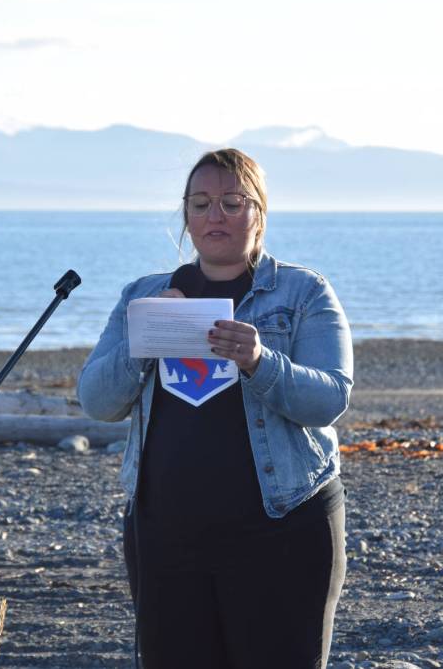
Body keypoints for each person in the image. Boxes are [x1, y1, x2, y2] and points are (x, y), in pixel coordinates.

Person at [77, 148, 353, 668]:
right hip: (164, 537)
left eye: (232, 201)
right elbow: (97, 401)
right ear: (185, 215)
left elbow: (330, 399)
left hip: (283, 527)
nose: (215, 216)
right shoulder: (147, 296)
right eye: (201, 203)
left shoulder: (303, 292)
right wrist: (144, 341)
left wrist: (259, 361)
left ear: (259, 213)